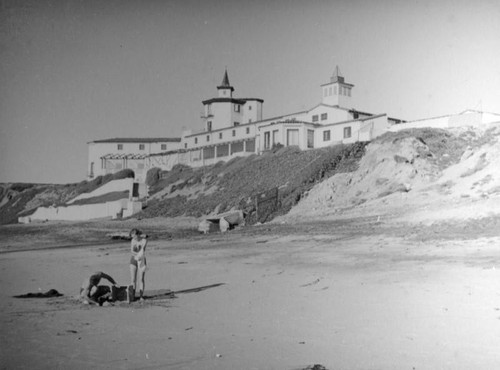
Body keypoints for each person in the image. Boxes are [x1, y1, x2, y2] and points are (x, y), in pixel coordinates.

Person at [129, 228, 148, 302]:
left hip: (141, 259)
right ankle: (132, 295)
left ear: (137, 235)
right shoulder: (133, 240)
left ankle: (141, 296)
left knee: (141, 279)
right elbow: (132, 251)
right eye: (132, 236)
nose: (133, 238)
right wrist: (137, 255)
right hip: (133, 259)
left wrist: (139, 256)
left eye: (134, 236)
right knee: (133, 279)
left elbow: (143, 250)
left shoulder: (144, 240)